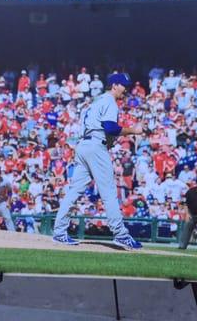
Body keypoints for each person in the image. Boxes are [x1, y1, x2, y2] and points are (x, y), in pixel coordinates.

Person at [52, 73, 144, 250]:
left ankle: (59, 232)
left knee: (74, 191)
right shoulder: (110, 101)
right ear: (115, 85)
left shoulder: (95, 102)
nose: (126, 89)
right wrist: (134, 130)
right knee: (109, 192)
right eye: (124, 85)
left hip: (84, 146)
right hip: (95, 147)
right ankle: (121, 235)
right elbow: (110, 128)